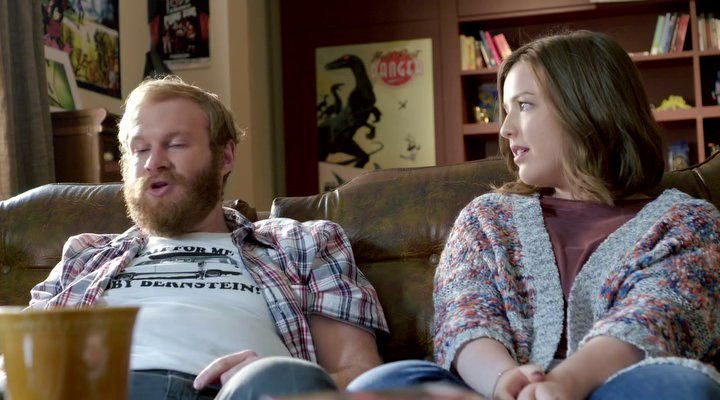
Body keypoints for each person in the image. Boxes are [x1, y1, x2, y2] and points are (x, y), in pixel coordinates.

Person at [347, 31, 720, 399]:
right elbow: (464, 317)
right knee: (384, 382)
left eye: (524, 105)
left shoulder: (688, 224)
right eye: (506, 110)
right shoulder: (486, 219)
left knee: (681, 386)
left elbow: (654, 318)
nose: (506, 129)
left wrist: (562, 386)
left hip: (615, 386)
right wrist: (505, 382)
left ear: (590, 106)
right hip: (489, 387)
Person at [13, 75, 388, 400]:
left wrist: (280, 379)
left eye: (175, 144)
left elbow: (360, 375)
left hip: (231, 392)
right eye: (140, 149)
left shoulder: (301, 244)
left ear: (225, 157)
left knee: (277, 378)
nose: (154, 162)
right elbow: (19, 361)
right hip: (86, 390)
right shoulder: (86, 254)